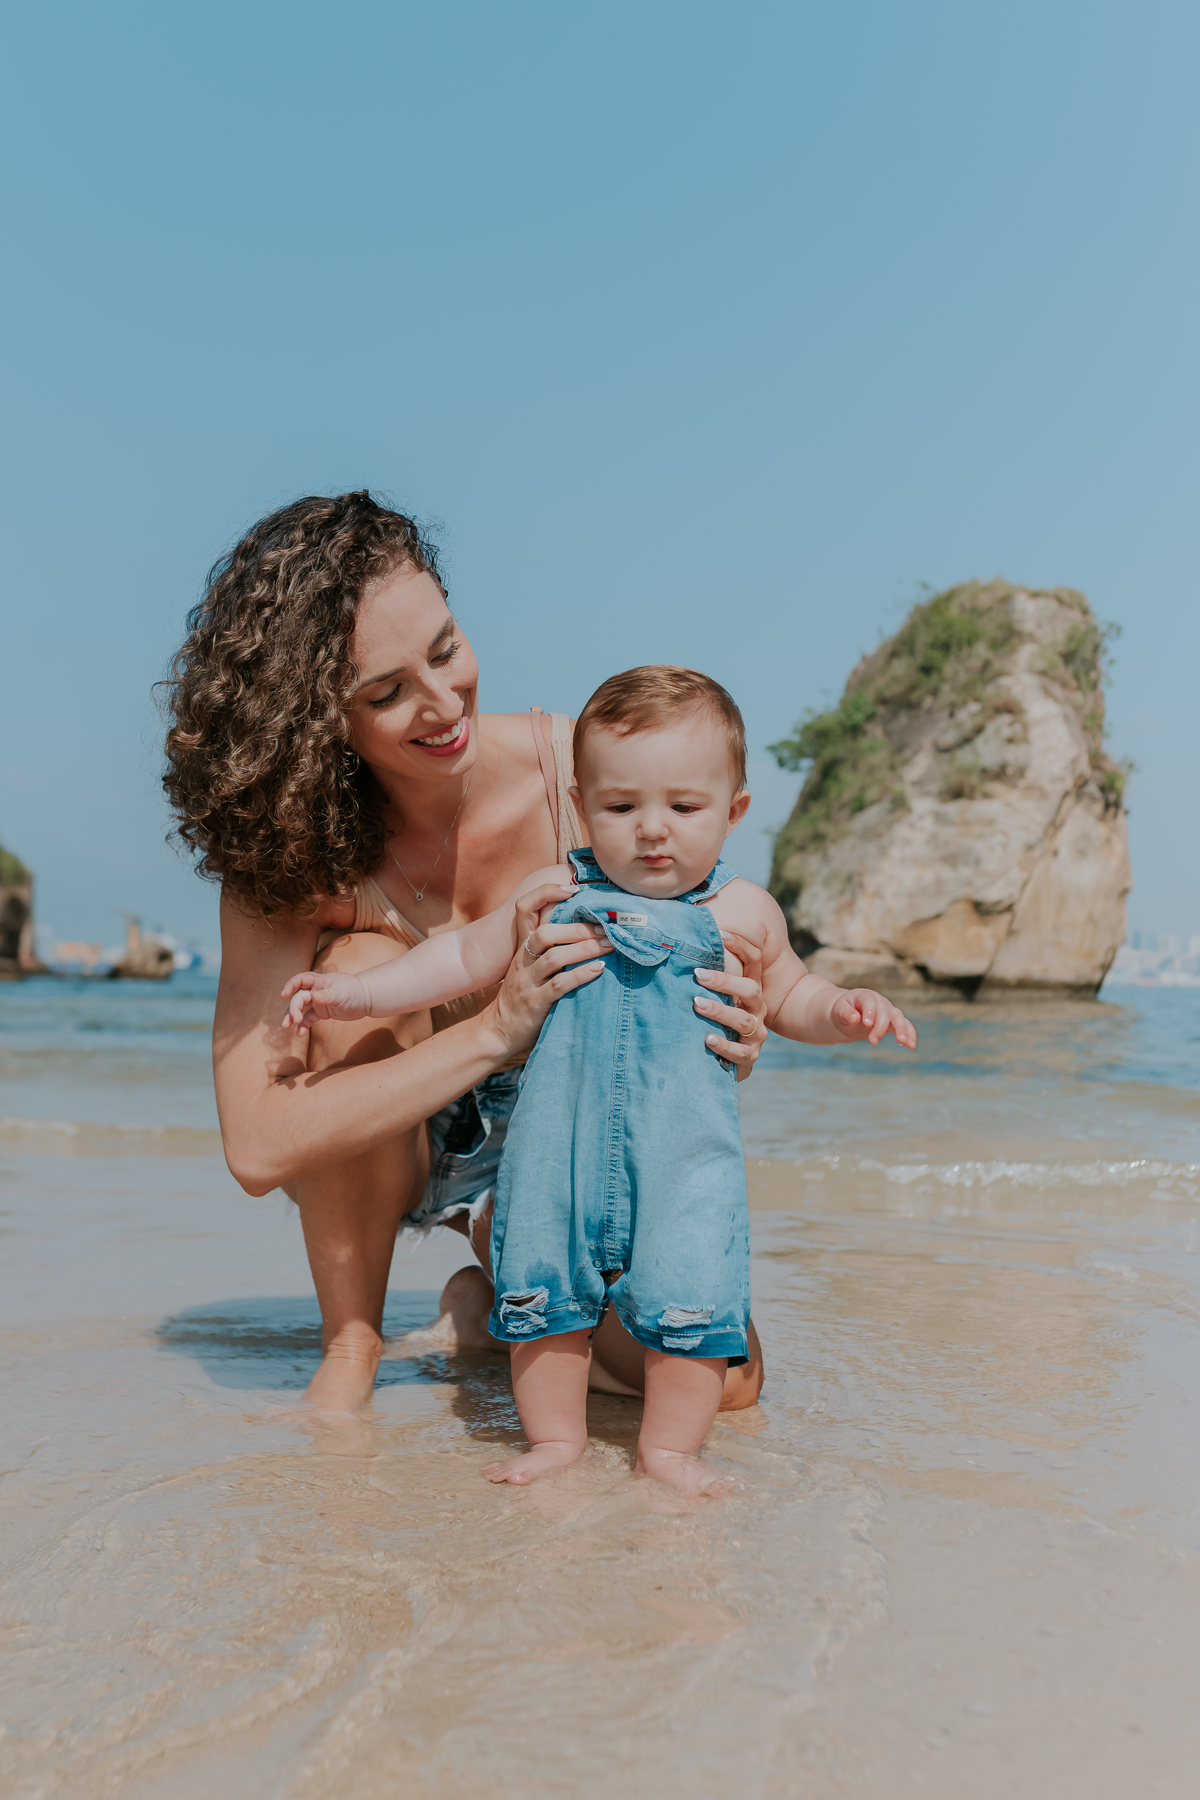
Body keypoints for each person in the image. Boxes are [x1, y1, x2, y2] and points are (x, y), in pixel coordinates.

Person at [162, 493, 772, 1419]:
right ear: (315, 719)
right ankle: (353, 1339)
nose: (443, 704)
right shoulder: (284, 855)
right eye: (387, 692)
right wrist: (495, 1030)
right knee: (356, 968)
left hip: (563, 1150)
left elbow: (708, 935)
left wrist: (738, 1021)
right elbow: (255, 1145)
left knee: (724, 1385)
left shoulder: (582, 780)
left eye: (445, 650)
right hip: (386, 1144)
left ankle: (487, 1311)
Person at [280, 666, 917, 1488]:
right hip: (556, 1156)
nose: (653, 831)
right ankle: (553, 1440)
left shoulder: (745, 914)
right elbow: (458, 958)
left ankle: (670, 1453)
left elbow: (794, 994)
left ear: (735, 811)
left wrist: (846, 1011)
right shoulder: (558, 893)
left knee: (694, 1301)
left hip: (683, 1167)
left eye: (684, 809)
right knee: (549, 1296)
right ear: (581, 808)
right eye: (622, 808)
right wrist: (358, 992)